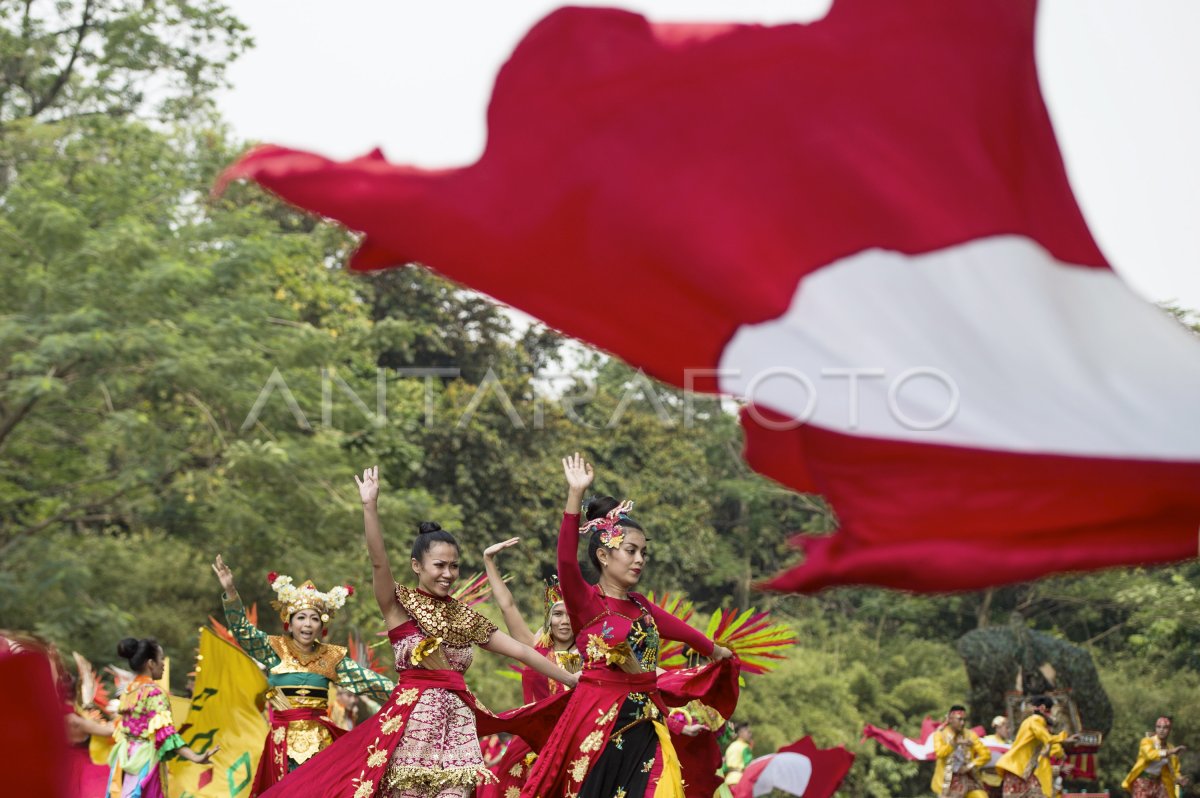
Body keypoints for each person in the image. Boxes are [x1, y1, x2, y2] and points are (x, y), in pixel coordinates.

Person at [259, 465, 579, 798]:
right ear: (417, 566)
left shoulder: (466, 617)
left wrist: (571, 680)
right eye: (439, 565)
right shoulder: (399, 604)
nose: (448, 573)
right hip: (412, 725)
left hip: (459, 727)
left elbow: (523, 651)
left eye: (454, 565)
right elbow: (379, 562)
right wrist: (370, 508)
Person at [517, 453, 736, 798]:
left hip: (647, 723)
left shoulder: (641, 607)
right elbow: (564, 558)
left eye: (643, 553)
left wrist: (717, 651)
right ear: (604, 556)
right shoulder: (586, 602)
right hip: (598, 724)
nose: (639, 560)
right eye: (631, 551)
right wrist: (575, 495)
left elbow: (682, 631)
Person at [212, 555, 395, 794]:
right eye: (301, 617)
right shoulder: (273, 649)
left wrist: (410, 692)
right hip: (281, 744)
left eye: (314, 618)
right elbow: (242, 632)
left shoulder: (331, 658)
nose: (307, 624)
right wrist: (231, 592)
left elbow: (370, 682)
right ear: (289, 622)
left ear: (322, 625)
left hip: (321, 744)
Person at [477, 539, 581, 798]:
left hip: (574, 745)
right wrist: (489, 561)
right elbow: (507, 605)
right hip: (530, 747)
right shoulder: (533, 647)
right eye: (557, 614)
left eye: (570, 614)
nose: (564, 621)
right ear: (549, 618)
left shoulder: (593, 654)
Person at [107, 637, 216, 797]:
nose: (163, 664)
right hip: (144, 761)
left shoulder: (127, 691)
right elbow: (165, 734)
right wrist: (195, 756)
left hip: (124, 759)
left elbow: (122, 729)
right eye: (161, 659)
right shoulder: (154, 692)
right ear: (150, 664)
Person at [994, 697, 1078, 798]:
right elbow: (1047, 738)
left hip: (1025, 771)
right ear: (1042, 708)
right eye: (1050, 711)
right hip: (1016, 770)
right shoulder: (1035, 720)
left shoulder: (1032, 722)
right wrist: (1065, 739)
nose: (1053, 716)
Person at [1121, 716, 1188, 798]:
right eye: (1158, 727)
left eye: (1165, 727)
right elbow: (1150, 755)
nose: (1161, 730)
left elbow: (1175, 769)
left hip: (1158, 783)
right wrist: (1170, 752)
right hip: (1142, 782)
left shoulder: (1170, 747)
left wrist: (1180, 779)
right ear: (1155, 728)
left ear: (1169, 730)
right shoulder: (1147, 741)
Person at [931, 706, 990, 798]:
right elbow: (940, 753)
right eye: (959, 720)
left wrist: (969, 766)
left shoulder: (970, 734)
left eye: (964, 720)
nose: (962, 723)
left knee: (981, 796)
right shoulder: (940, 734)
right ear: (950, 719)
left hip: (967, 776)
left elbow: (986, 754)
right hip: (947, 780)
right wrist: (955, 744)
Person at [980, 715, 1013, 797]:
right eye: (1006, 728)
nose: (1008, 731)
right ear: (998, 728)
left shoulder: (1009, 744)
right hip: (987, 781)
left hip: (1002, 782)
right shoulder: (988, 740)